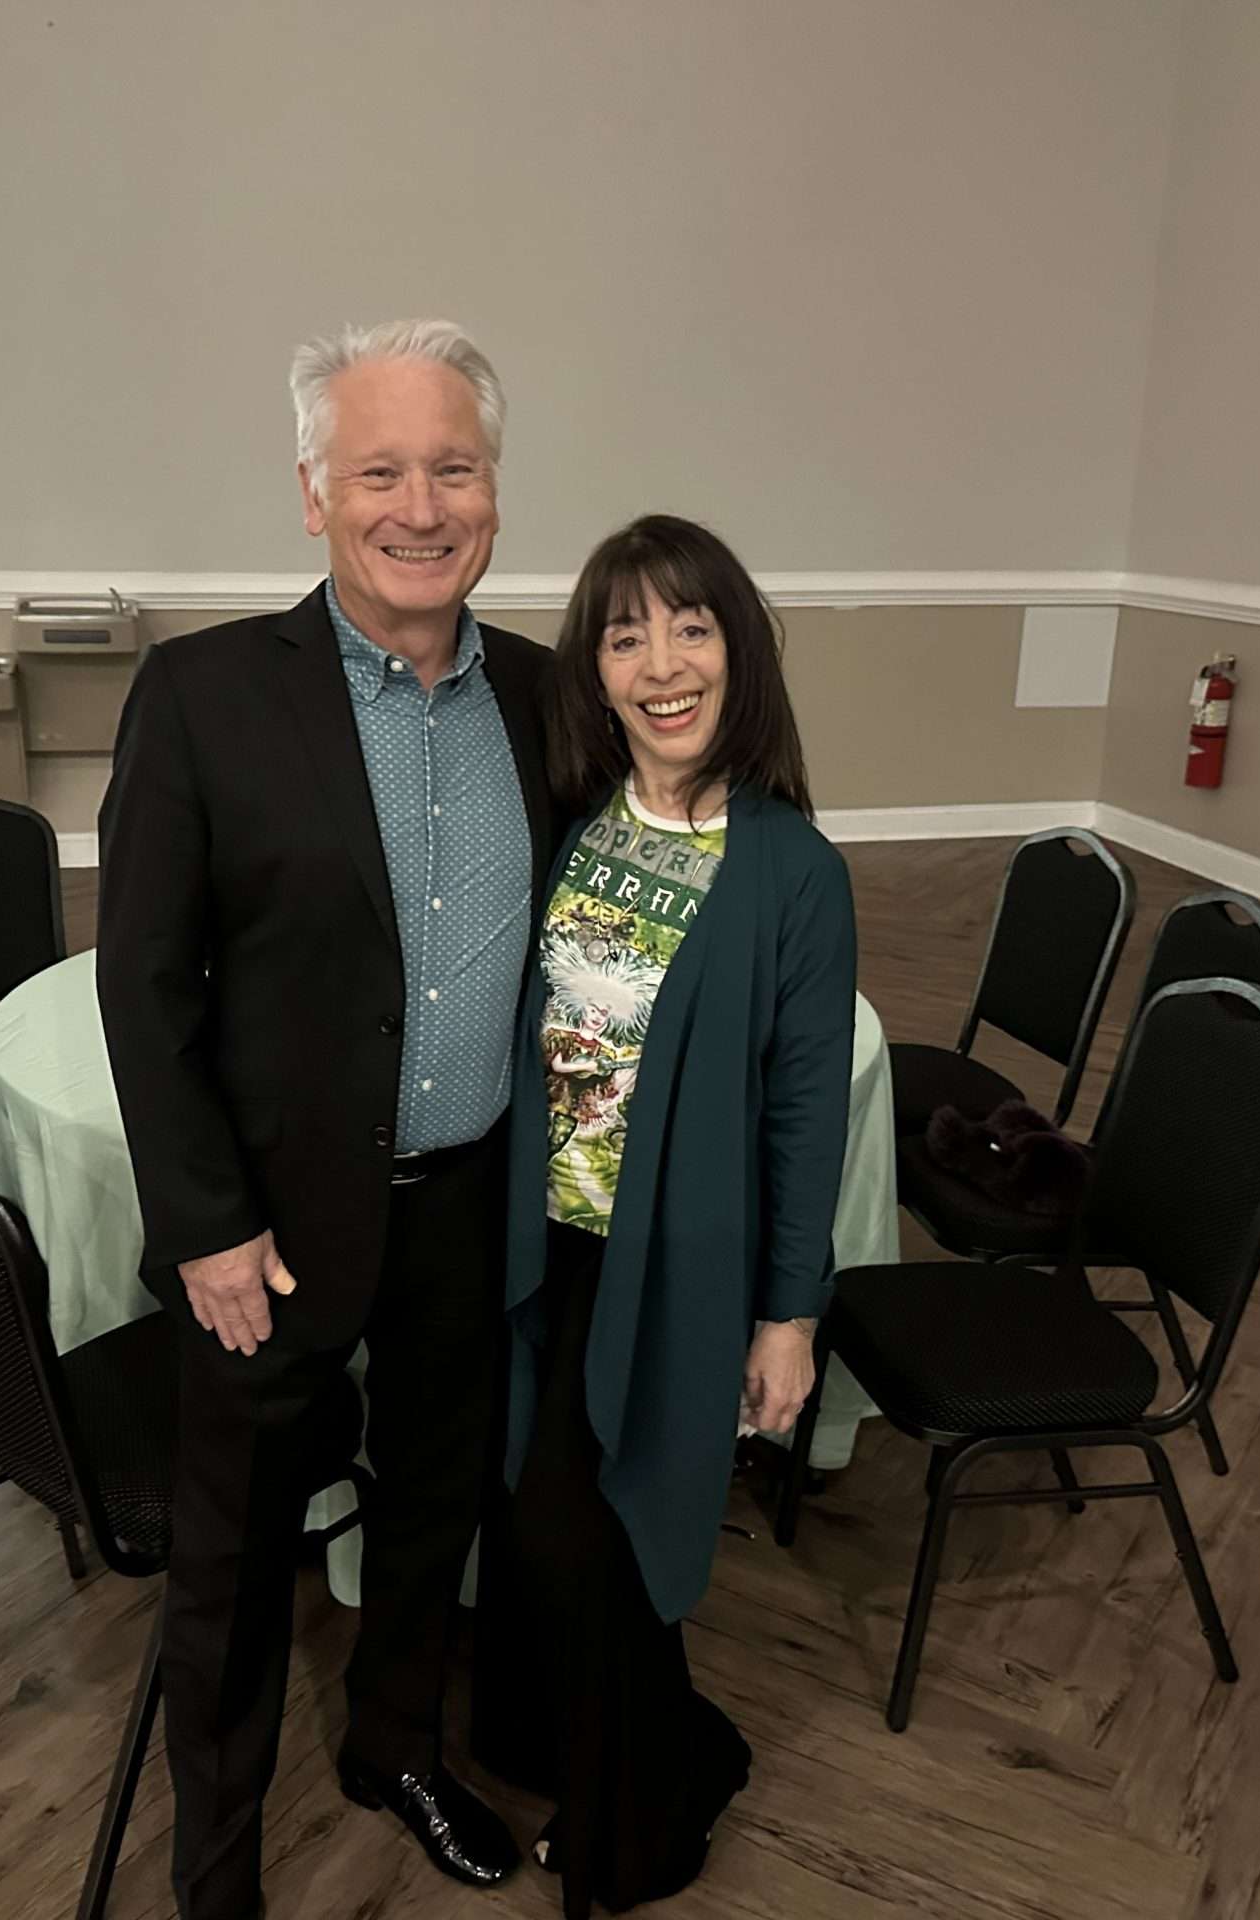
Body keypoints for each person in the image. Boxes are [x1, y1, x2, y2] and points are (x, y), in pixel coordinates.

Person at [96, 320, 551, 1918]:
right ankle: (215, 1867)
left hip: (466, 1202)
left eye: (454, 469)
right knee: (230, 1565)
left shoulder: (547, 700)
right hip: (267, 1233)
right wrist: (205, 1222)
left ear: (495, 490)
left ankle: (393, 1749)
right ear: (313, 494)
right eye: (380, 472)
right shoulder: (203, 694)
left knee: (435, 1505)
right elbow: (143, 983)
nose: (420, 507)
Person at [474, 514, 857, 1917]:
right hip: (546, 1248)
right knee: (541, 1525)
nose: (661, 665)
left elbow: (806, 1113)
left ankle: (652, 1814)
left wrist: (789, 1316)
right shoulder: (572, 825)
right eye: (625, 636)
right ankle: (635, 1750)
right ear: (594, 670)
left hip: (677, 1270)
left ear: (737, 651)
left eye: (691, 628)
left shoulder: (792, 869)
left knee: (601, 1529)